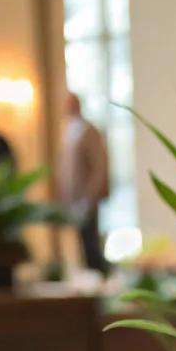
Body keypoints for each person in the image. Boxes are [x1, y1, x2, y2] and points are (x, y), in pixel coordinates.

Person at [57, 92, 110, 275]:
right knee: (81, 242)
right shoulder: (69, 130)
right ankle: (89, 276)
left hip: (87, 198)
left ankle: (99, 276)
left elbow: (99, 166)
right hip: (73, 199)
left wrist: (91, 195)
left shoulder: (88, 130)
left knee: (91, 243)